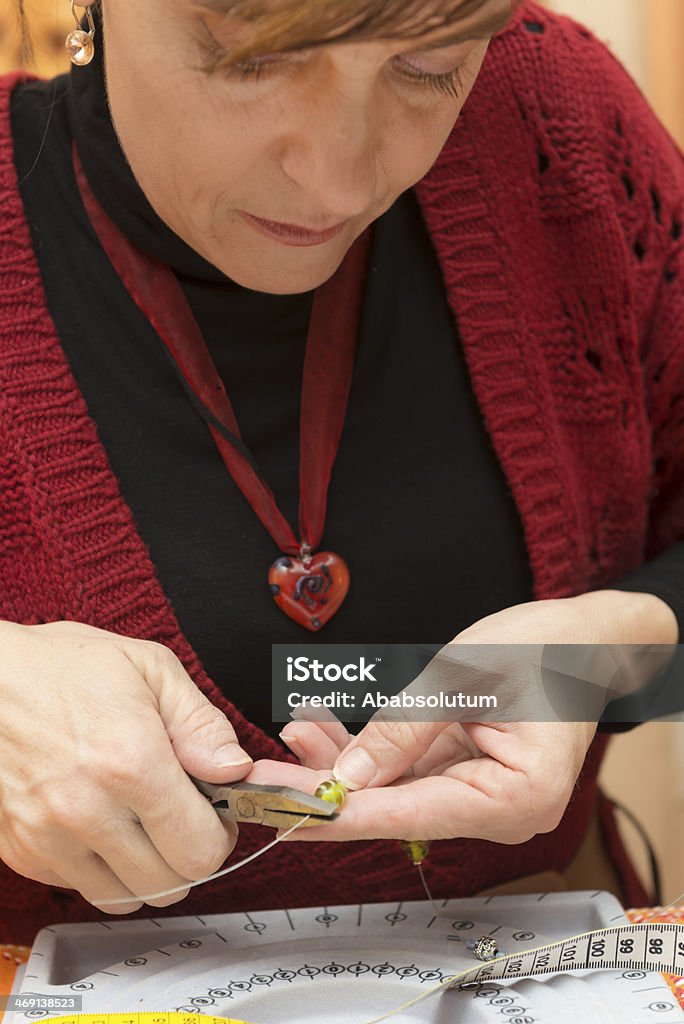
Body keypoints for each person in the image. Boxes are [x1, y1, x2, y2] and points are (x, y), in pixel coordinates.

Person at [0, 0, 682, 945]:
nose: (341, 179)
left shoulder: (556, 126)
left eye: (430, 67)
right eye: (250, 60)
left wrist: (614, 659)